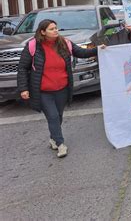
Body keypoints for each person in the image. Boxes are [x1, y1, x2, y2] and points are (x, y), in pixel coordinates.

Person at [17, 20, 105, 158]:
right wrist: (23, 88)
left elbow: (81, 52)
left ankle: (53, 138)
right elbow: (22, 67)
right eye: (52, 29)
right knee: (52, 116)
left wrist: (98, 49)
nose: (55, 31)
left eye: (56, 28)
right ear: (42, 32)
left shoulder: (64, 43)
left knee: (58, 116)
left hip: (62, 89)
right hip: (43, 91)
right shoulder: (33, 46)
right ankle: (60, 144)